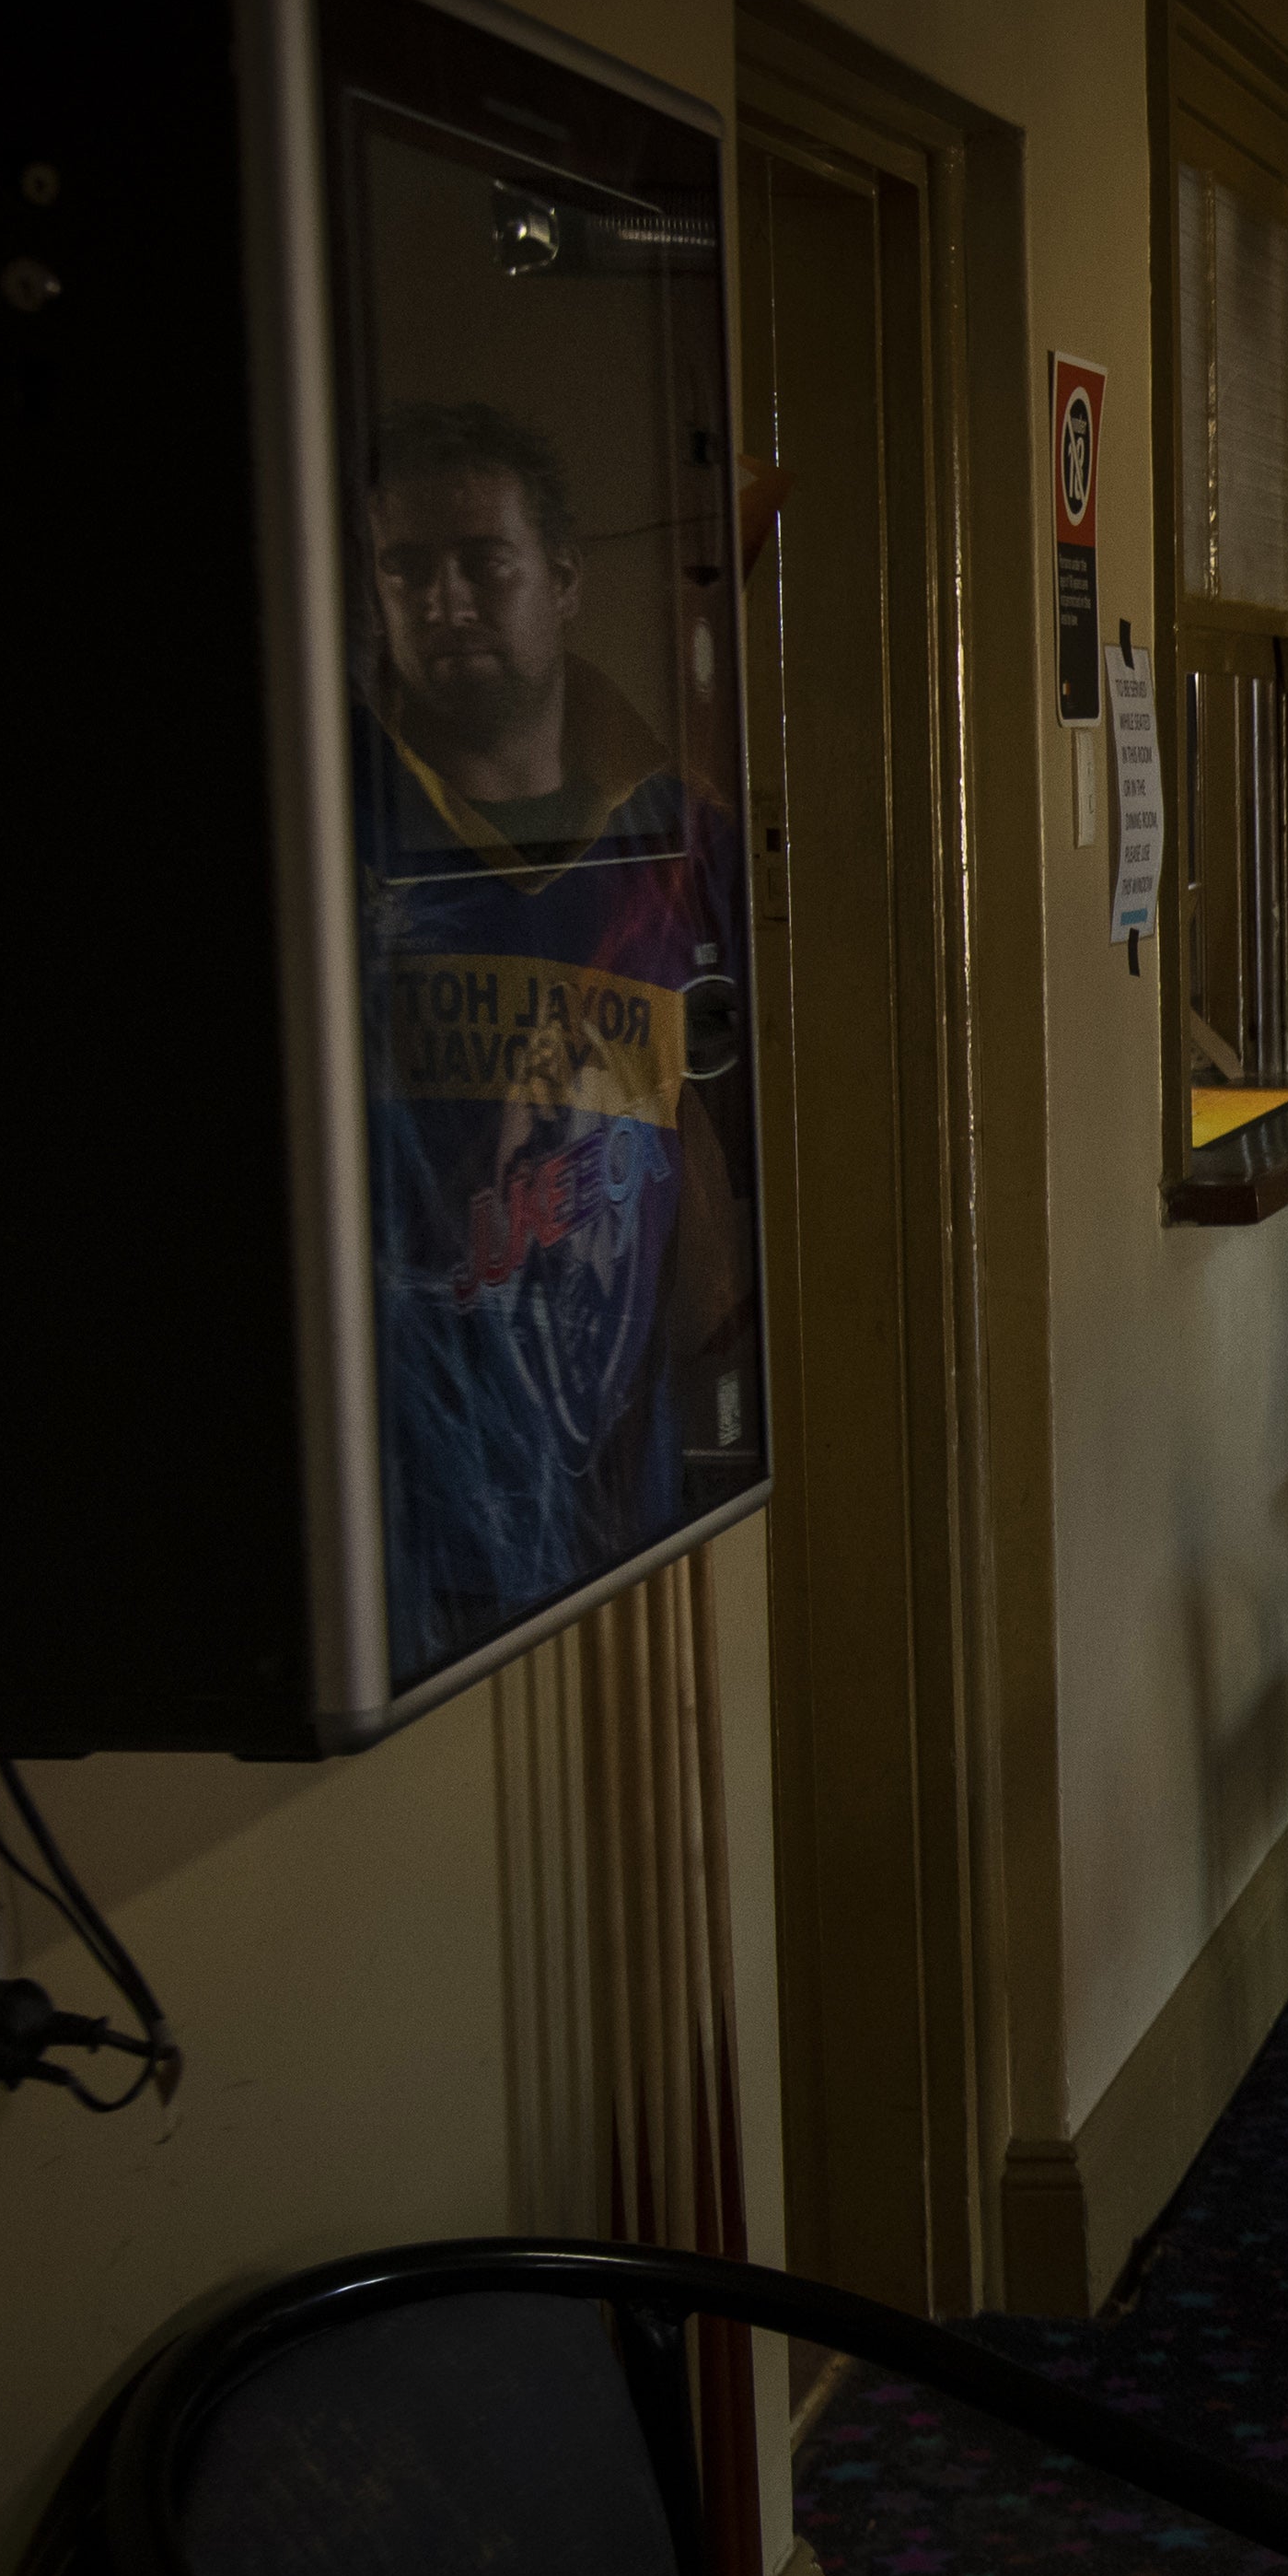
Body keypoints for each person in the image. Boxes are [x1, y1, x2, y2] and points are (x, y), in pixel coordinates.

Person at [354, 398, 748, 1683]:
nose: (447, 599)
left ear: (564, 582)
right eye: (408, 568)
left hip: (622, 1474)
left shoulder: (671, 845)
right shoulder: (344, 847)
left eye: (483, 560)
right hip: (406, 1501)